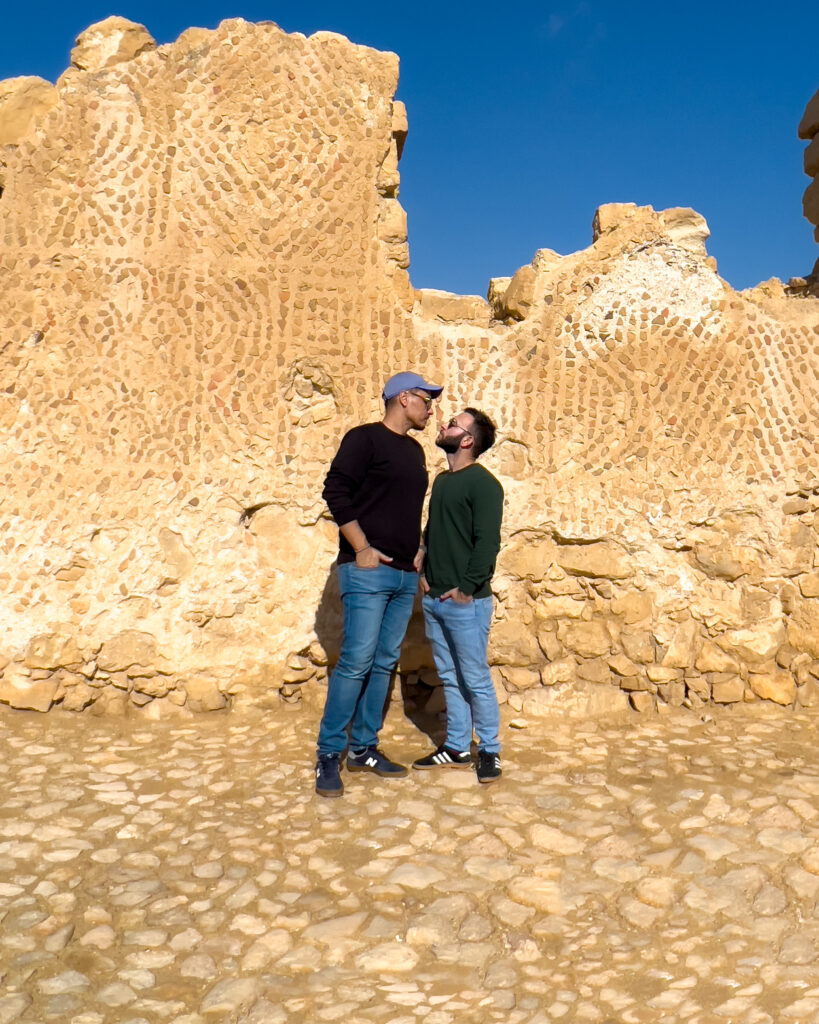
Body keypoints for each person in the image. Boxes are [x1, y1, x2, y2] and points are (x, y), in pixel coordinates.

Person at [315, 371, 442, 798]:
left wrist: (419, 549)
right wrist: (362, 547)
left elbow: (406, 508)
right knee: (356, 660)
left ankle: (364, 749)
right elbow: (335, 490)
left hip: (405, 573)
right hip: (367, 571)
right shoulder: (364, 438)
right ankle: (329, 755)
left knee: (384, 661)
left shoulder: (414, 451)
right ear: (403, 398)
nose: (431, 408)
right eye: (426, 400)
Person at [413, 408, 504, 784]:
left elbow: (488, 543)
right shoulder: (443, 481)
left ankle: (490, 751)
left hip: (465, 601)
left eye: (453, 423)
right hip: (434, 597)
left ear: (466, 440)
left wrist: (467, 589)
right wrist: (422, 561)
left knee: (475, 678)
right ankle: (456, 746)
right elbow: (436, 529)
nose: (444, 424)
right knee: (449, 677)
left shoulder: (484, 485)